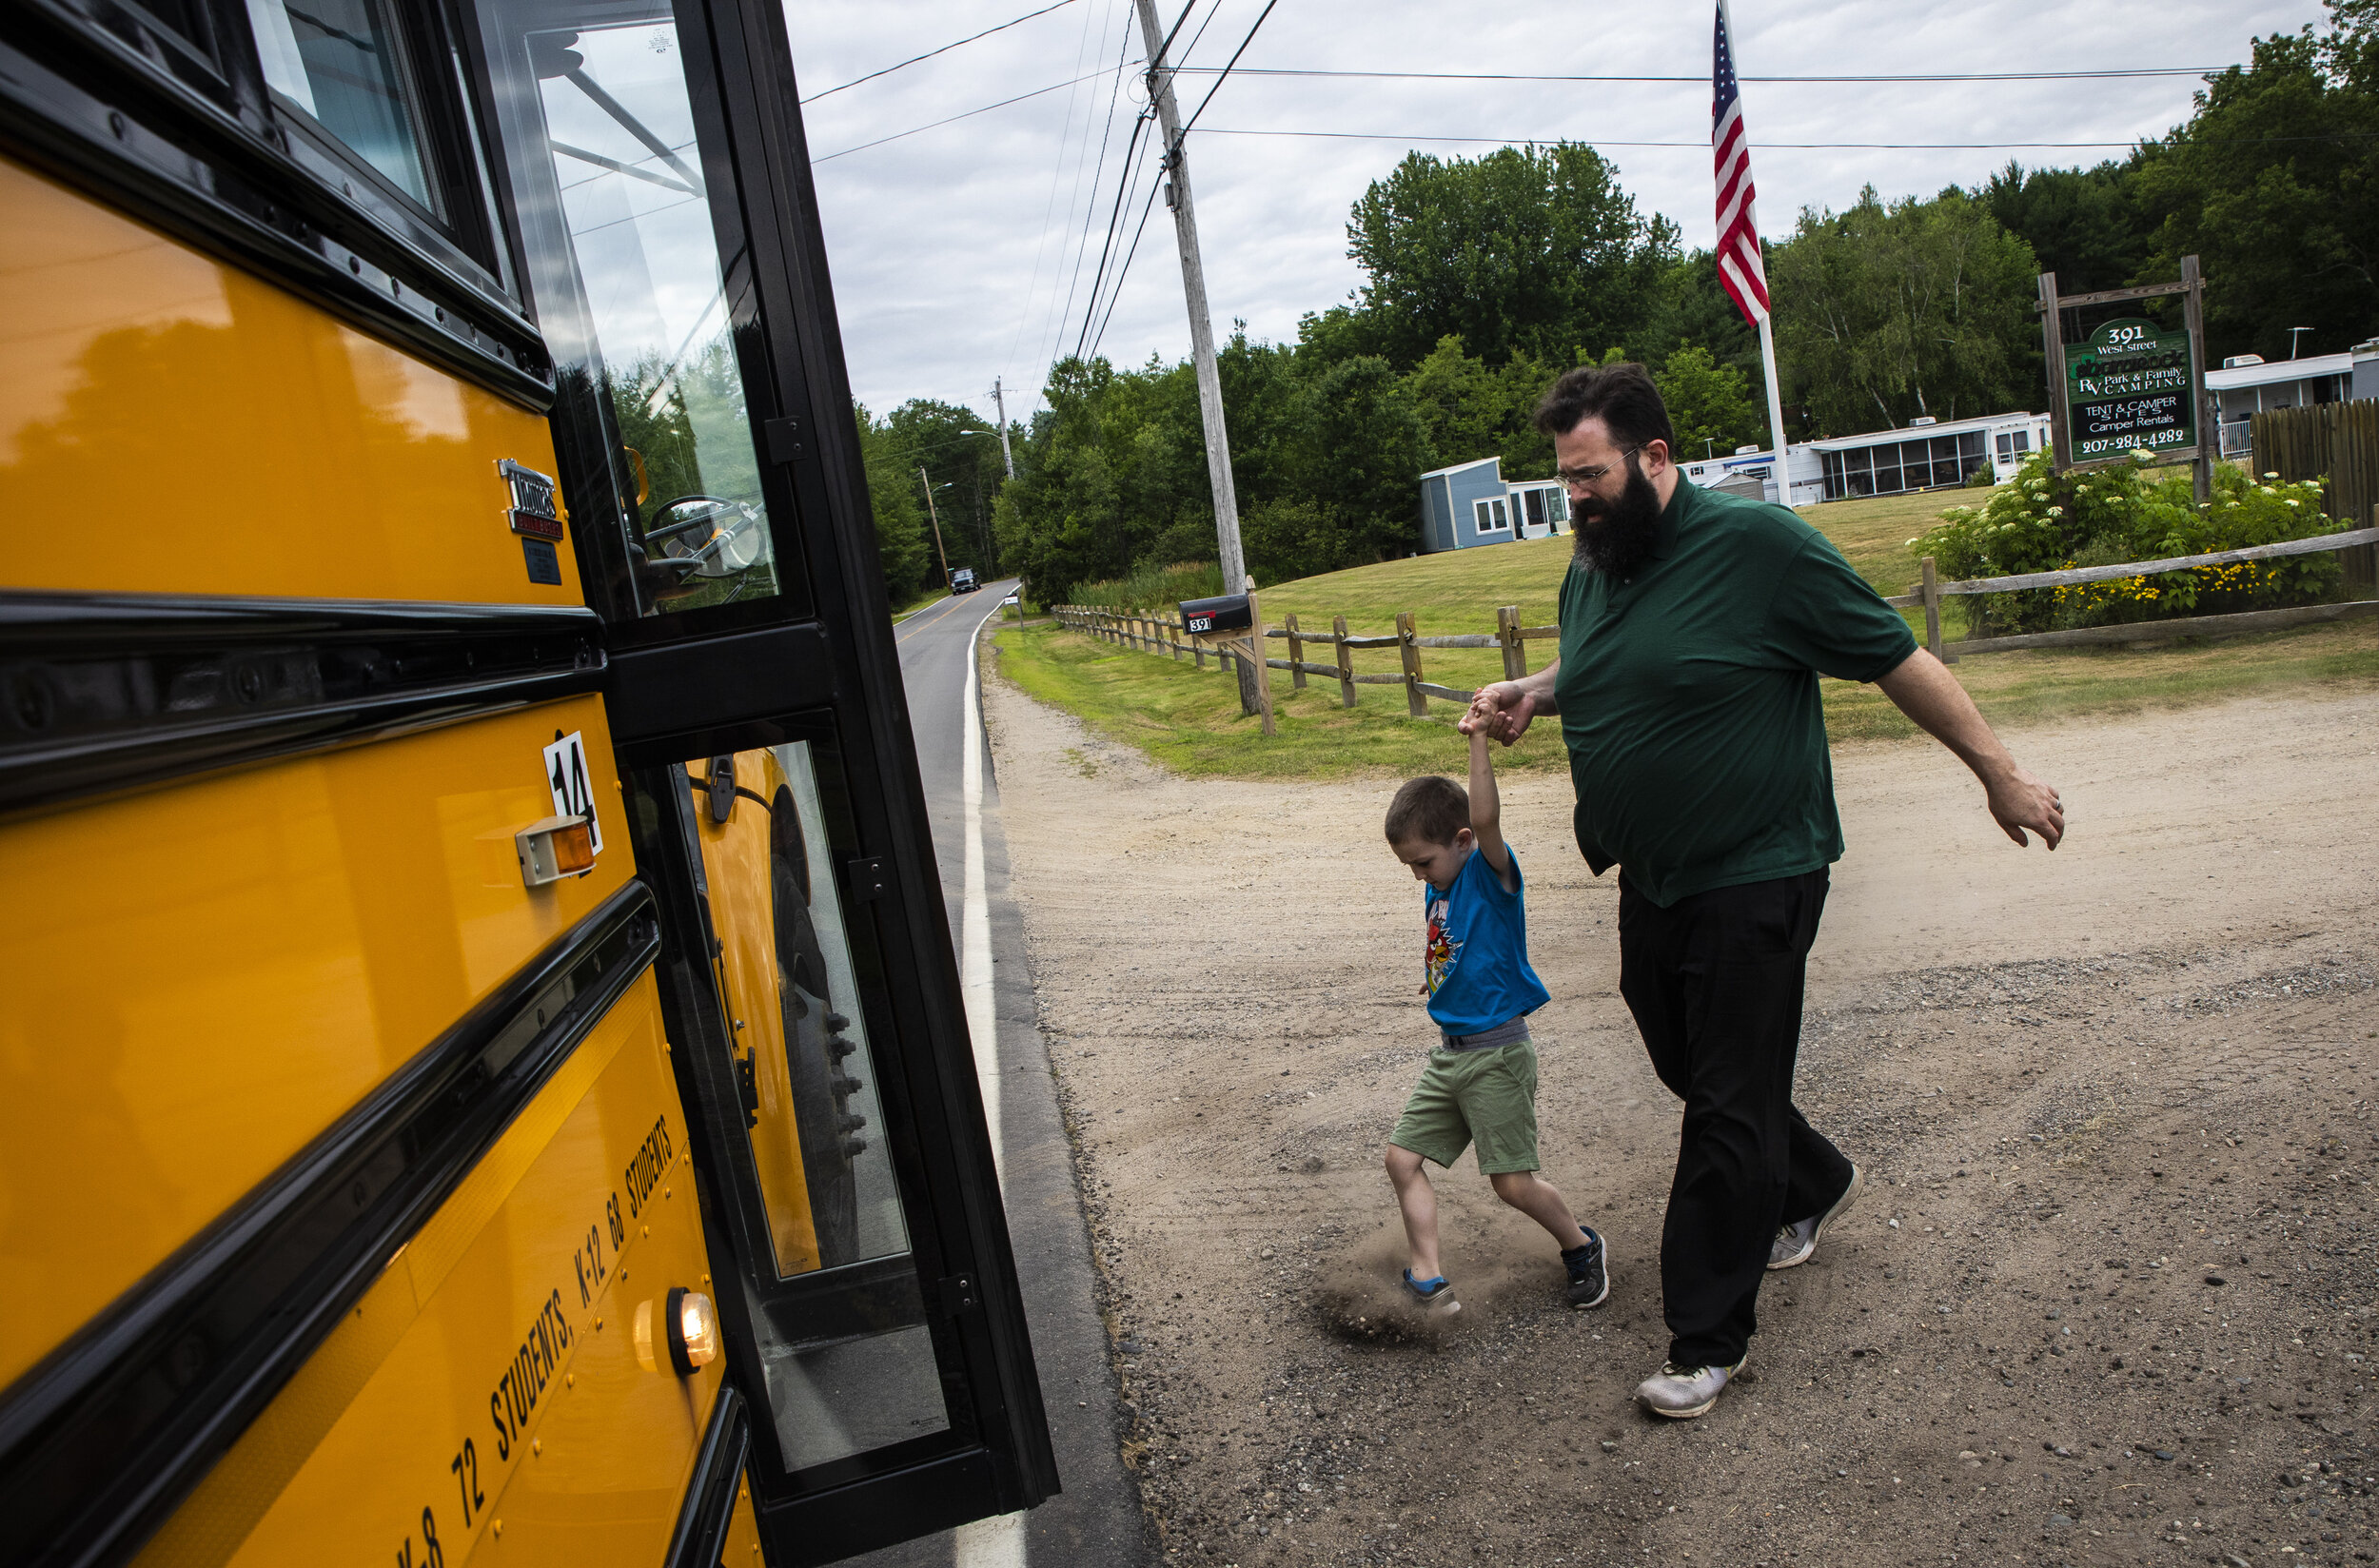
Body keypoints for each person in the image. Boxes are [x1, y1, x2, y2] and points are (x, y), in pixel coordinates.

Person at [1464, 362, 2063, 1420]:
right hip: (1653, 872)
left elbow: (1896, 655)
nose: (1576, 497)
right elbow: (1605, 664)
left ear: (1655, 458)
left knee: (1726, 1106)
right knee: (1684, 1061)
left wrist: (1999, 773)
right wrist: (1532, 691)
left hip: (1757, 865)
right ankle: (1815, 1180)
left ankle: (1706, 1337)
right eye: (1565, 479)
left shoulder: (1758, 548)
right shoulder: (1600, 558)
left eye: (1590, 473)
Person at [1381, 719, 1608, 1317]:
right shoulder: (1441, 885)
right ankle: (1428, 1276)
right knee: (1402, 1160)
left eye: (1423, 862)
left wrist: (1478, 738)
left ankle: (1582, 1246)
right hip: (1450, 1054)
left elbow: (1484, 819)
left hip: (1497, 1055)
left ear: (1460, 841)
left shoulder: (1488, 875)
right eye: (1410, 866)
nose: (1418, 876)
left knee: (1510, 1184)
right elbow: (1447, 929)